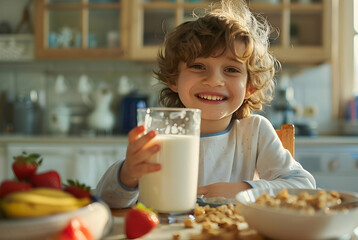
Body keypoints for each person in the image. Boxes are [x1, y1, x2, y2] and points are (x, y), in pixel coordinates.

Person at [95, 0, 315, 208]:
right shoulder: (159, 133)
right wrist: (127, 174)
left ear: (250, 87)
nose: (214, 80)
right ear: (173, 80)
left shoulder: (255, 132)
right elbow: (105, 200)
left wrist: (245, 190)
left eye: (231, 69)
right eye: (198, 66)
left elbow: (303, 185)